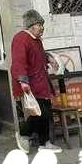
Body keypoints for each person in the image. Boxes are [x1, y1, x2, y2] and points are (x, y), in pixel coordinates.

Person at [11, 9, 61, 153]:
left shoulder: (37, 40)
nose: (42, 28)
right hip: (30, 84)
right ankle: (24, 134)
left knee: (45, 112)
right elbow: (19, 63)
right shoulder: (21, 39)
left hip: (41, 82)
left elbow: (40, 55)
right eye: (39, 25)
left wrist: (49, 59)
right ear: (30, 25)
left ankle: (44, 143)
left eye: (42, 25)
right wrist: (23, 82)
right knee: (40, 113)